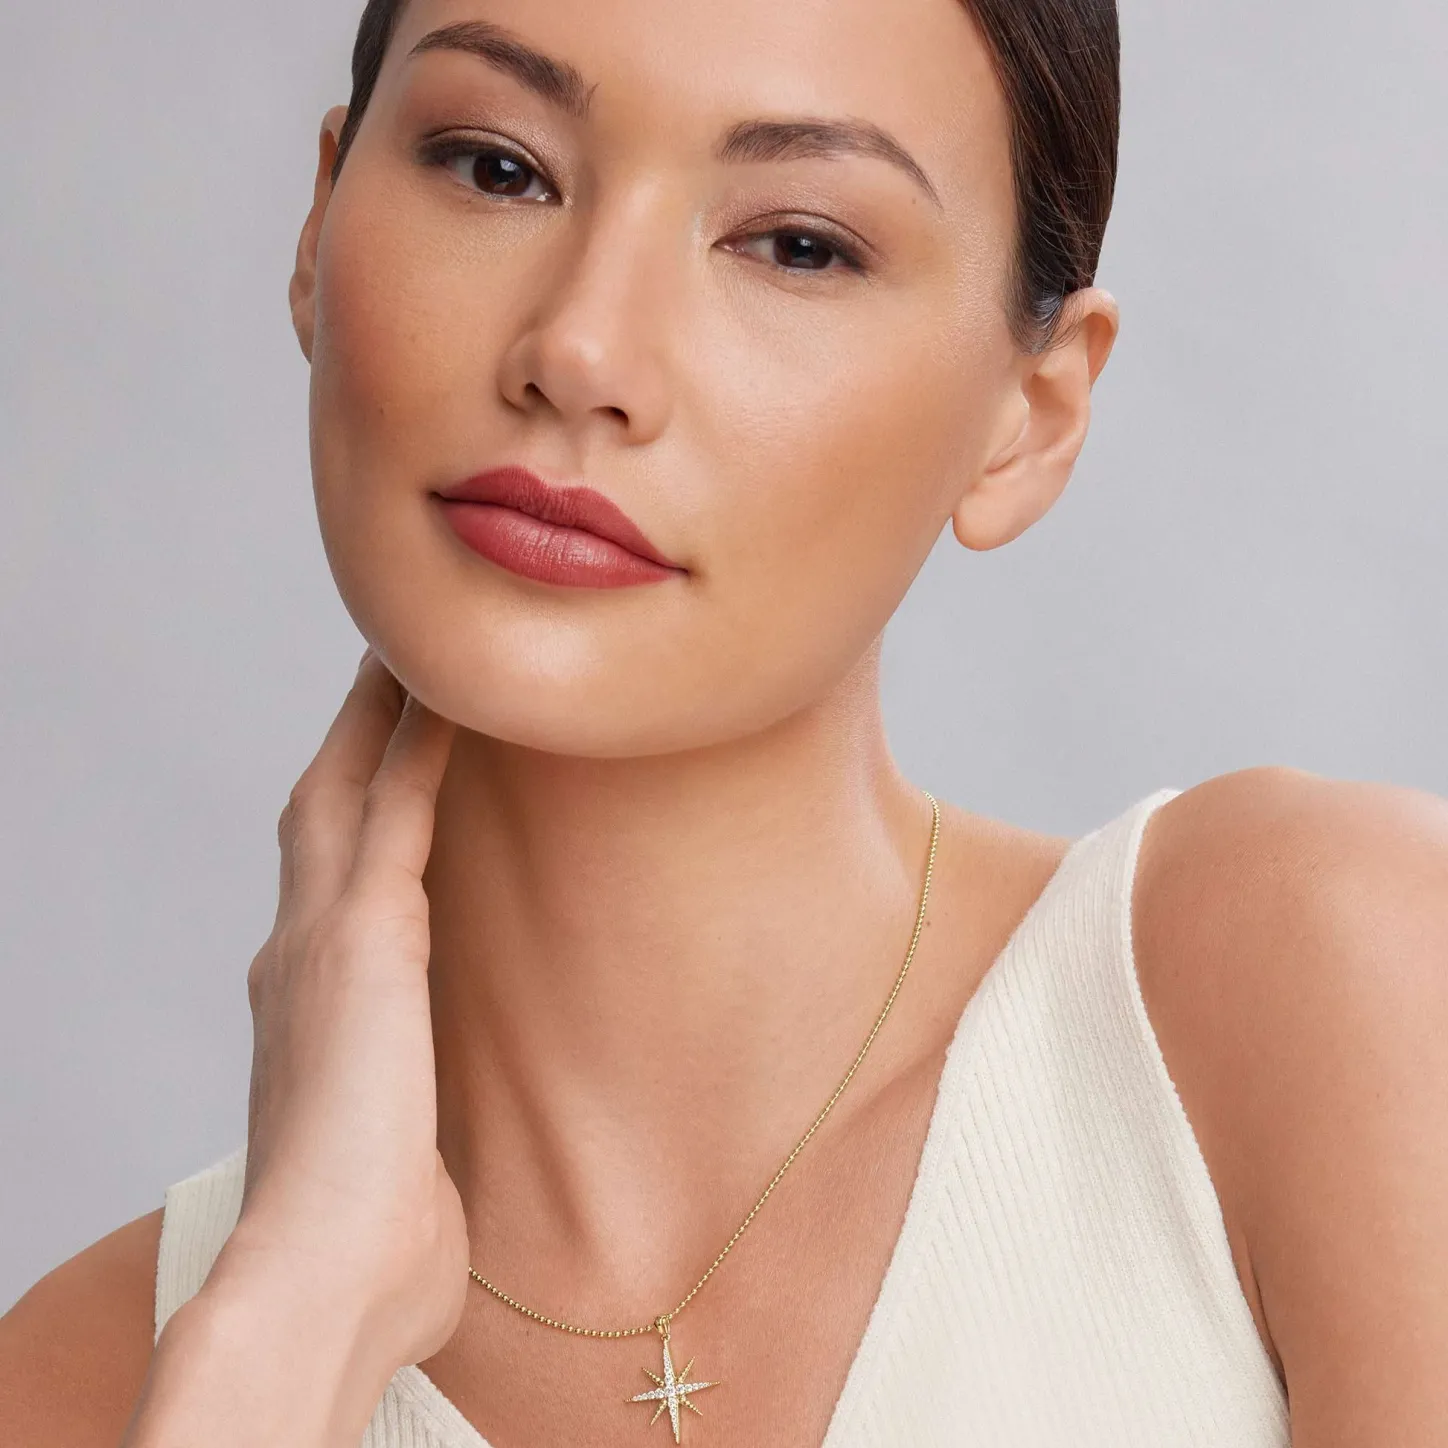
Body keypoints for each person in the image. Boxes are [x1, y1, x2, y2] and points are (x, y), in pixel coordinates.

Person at [4, 0, 1446, 1443]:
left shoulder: (1327, 988)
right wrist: (292, 1321)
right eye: (498, 168)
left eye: (799, 245)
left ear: (1034, 411)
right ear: (320, 224)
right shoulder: (80, 1383)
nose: (582, 350)